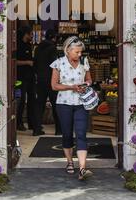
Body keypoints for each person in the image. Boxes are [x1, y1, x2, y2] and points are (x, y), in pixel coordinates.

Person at [50, 36, 93, 180]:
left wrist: (85, 85)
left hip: (81, 104)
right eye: (77, 52)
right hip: (64, 104)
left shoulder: (84, 63)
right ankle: (69, 162)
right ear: (67, 51)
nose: (80, 55)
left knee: (81, 134)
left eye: (81, 52)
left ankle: (82, 168)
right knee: (67, 134)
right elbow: (54, 85)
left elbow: (89, 80)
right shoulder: (58, 64)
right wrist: (71, 87)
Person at [34, 29, 62, 136]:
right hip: (51, 80)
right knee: (55, 104)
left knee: (39, 105)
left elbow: (35, 64)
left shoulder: (37, 48)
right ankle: (59, 130)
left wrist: (38, 75)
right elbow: (54, 65)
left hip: (40, 80)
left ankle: (36, 129)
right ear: (54, 38)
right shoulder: (52, 48)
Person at [16, 26, 43, 136]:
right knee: (21, 101)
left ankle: (33, 124)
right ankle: (19, 123)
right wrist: (27, 62)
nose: (32, 35)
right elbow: (14, 62)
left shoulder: (29, 45)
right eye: (30, 34)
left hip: (30, 77)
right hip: (21, 77)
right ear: (25, 34)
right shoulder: (18, 45)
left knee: (32, 100)